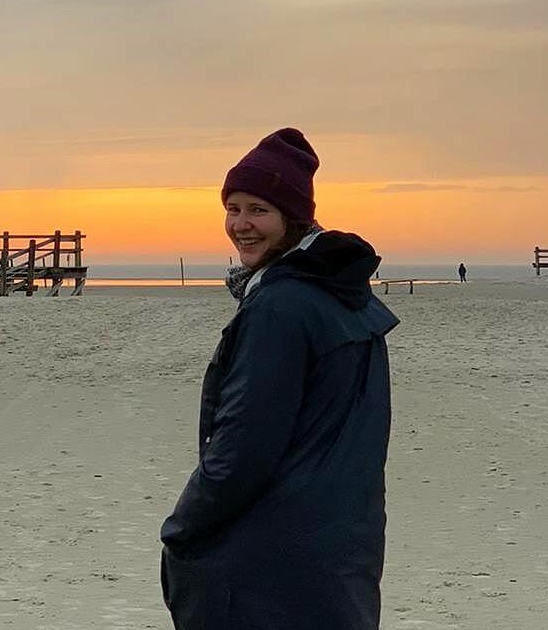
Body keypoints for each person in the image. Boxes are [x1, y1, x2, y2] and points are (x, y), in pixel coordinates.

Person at [160, 128, 399, 629]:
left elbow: (244, 444)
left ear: (293, 219)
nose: (241, 225)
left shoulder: (280, 306)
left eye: (259, 210)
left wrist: (183, 530)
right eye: (233, 209)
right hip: (340, 542)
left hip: (274, 554)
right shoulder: (345, 294)